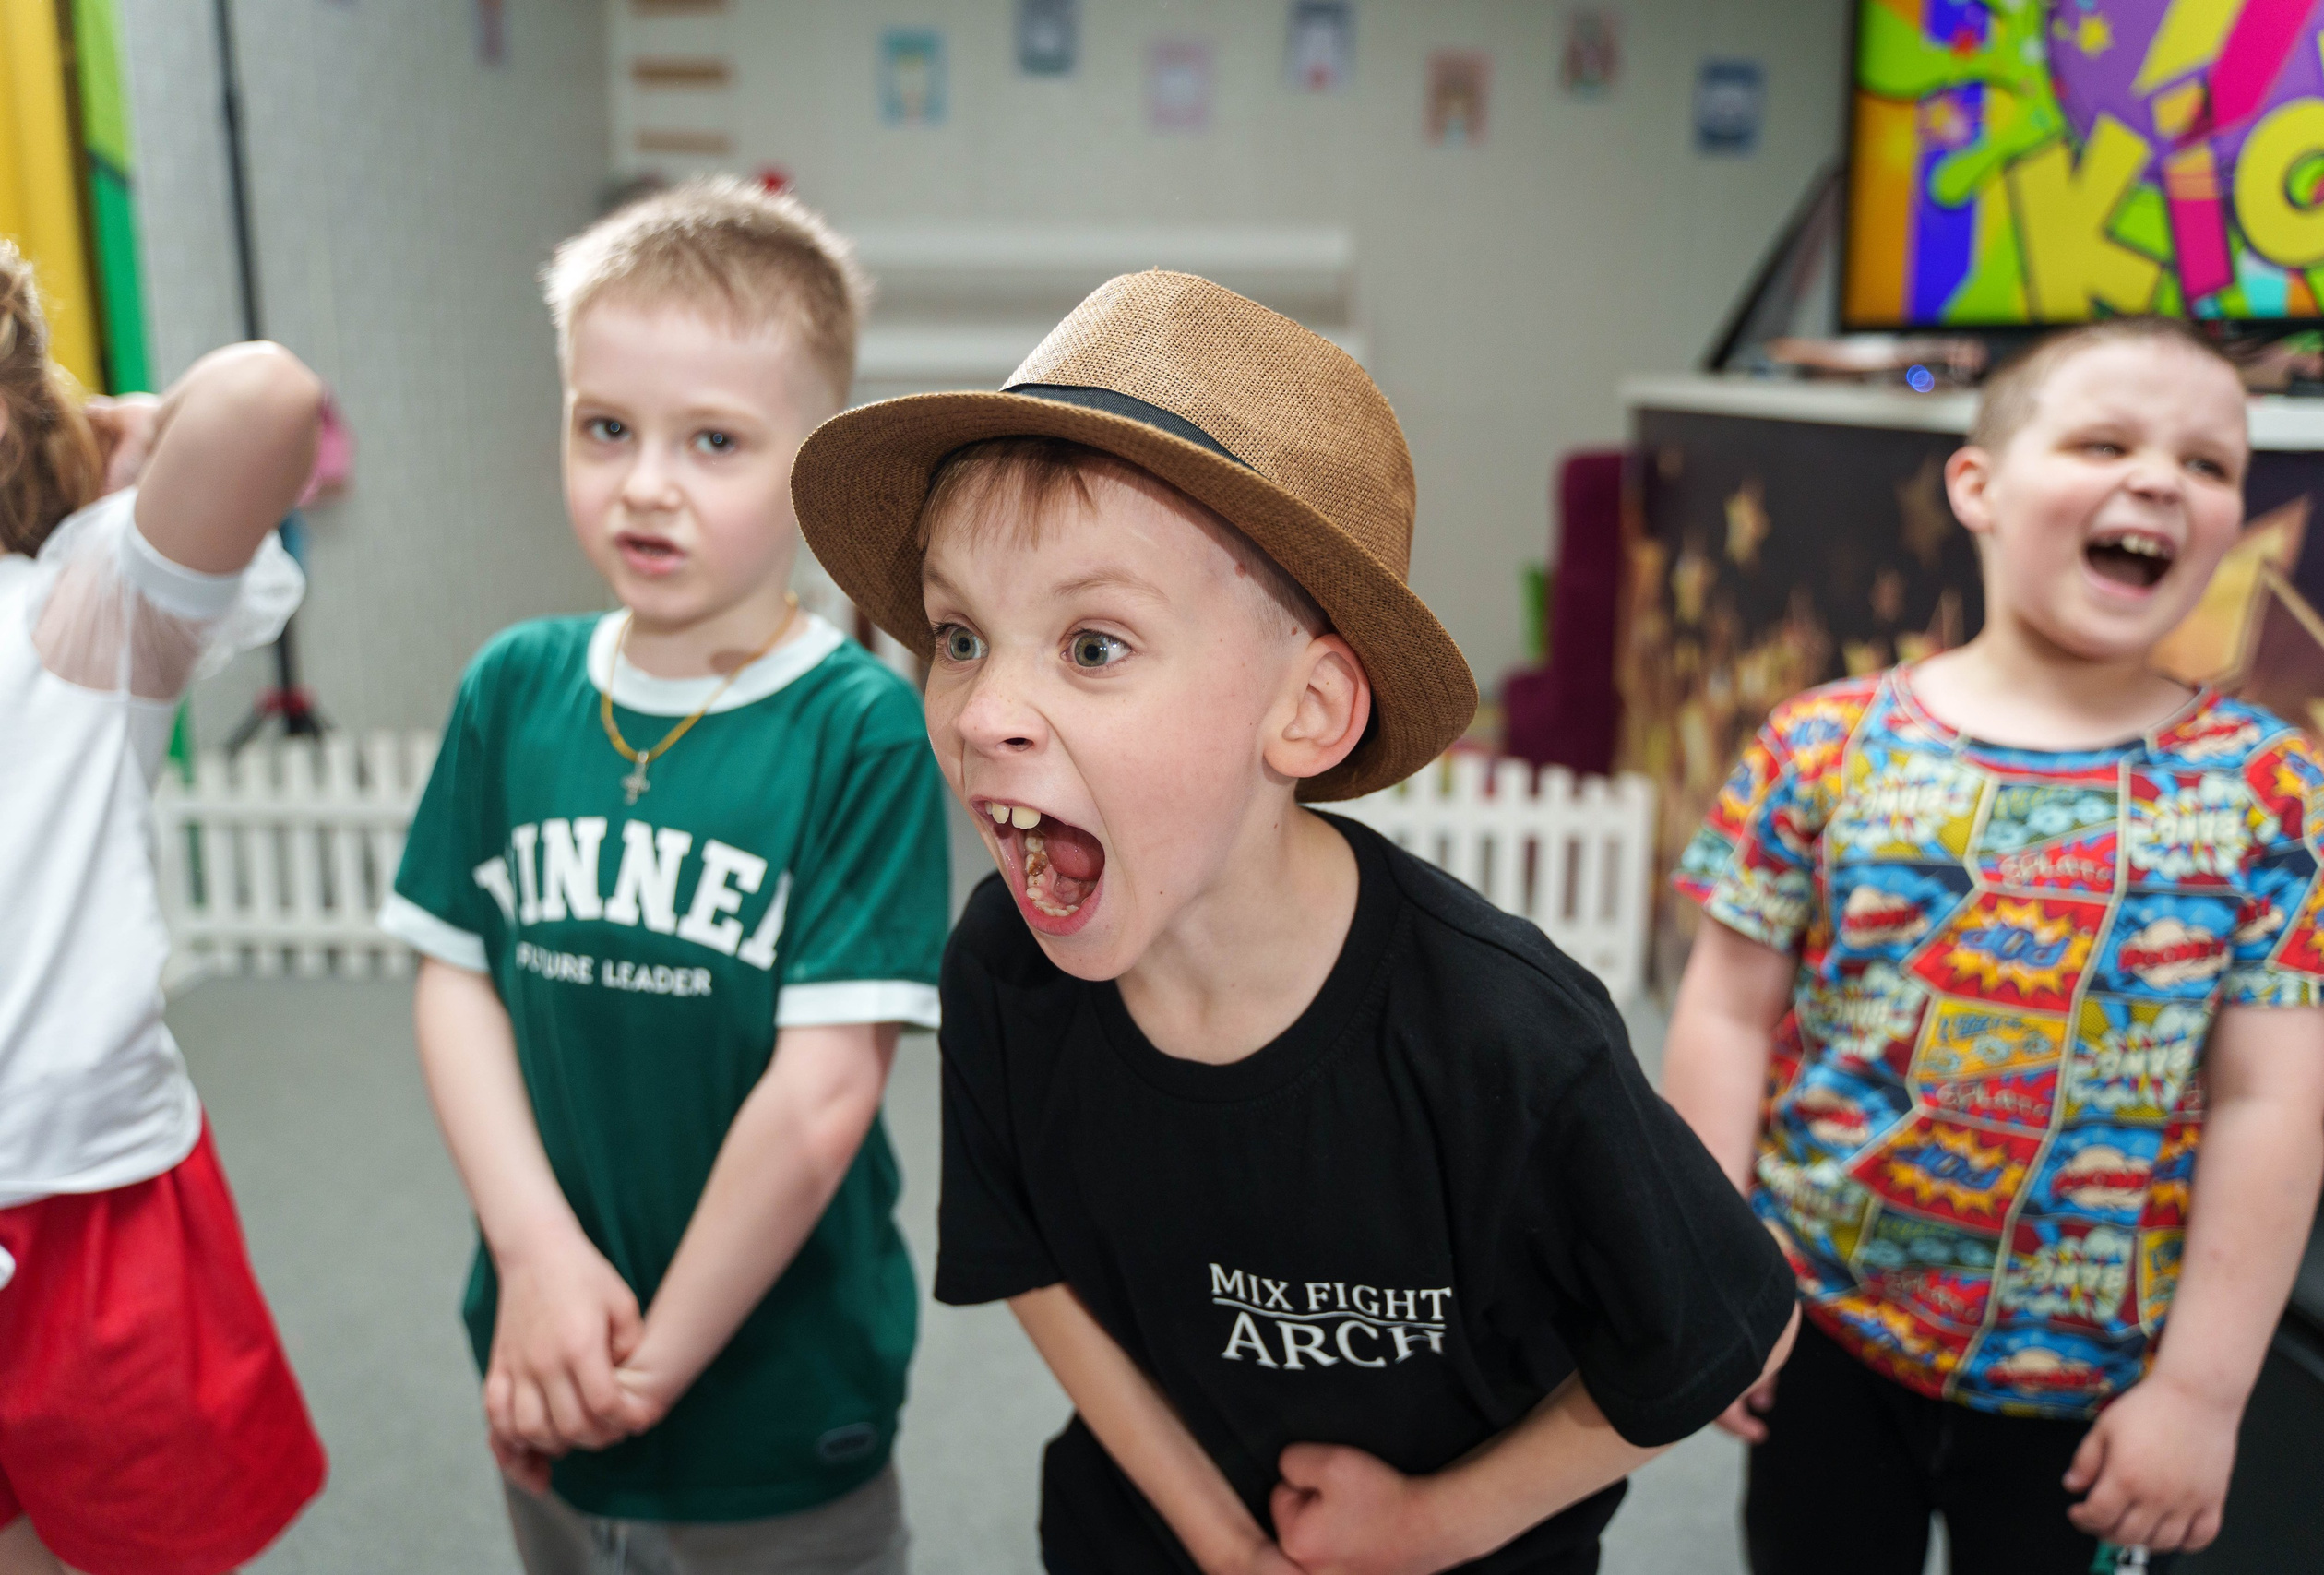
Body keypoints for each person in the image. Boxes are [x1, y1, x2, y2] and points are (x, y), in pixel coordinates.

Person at [789, 269, 1800, 1575]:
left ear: (1309, 713)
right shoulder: (1001, 967)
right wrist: (1220, 1541)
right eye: (959, 636)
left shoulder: (1509, 1035)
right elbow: (1024, 1258)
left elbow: (1722, 1330)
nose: (981, 714)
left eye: (1094, 645)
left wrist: (1432, 1527)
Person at [1661, 316, 2324, 1575]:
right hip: (1827, 1323)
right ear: (1977, 487)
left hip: (2095, 1381)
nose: (2160, 478)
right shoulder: (1821, 747)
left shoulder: (2274, 790)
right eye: (2105, 441)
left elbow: (2272, 1105)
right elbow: (1720, 1011)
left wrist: (2203, 1395)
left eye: (2208, 466)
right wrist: (1719, 1268)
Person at [379, 179, 946, 1575]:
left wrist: (653, 1370)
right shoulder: (513, 688)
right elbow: (455, 982)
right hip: (544, 1345)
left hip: (773, 1394)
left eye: (715, 441)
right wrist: (535, 1260)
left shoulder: (856, 728)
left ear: (812, 463)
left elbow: (822, 1101)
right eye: (607, 428)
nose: (645, 482)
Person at [0, 243, 327, 1575]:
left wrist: (88, 428)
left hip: (92, 1205)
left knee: (127, 1549)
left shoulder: (76, 618)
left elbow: (264, 397)